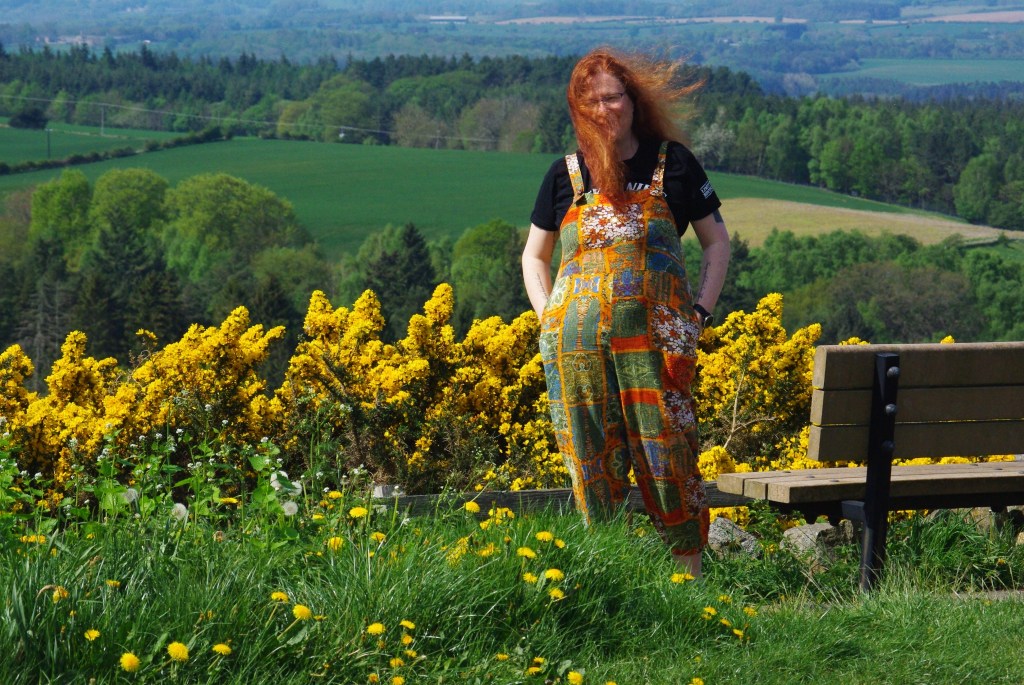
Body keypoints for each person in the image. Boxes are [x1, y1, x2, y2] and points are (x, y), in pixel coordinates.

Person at [521, 48, 731, 577]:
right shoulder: (565, 175)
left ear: (633, 101)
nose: (604, 110)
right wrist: (550, 321)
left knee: (671, 459)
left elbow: (717, 245)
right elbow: (533, 256)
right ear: (577, 109)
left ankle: (692, 591)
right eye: (591, 102)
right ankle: (606, 588)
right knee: (591, 466)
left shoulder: (673, 164)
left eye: (613, 97)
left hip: (657, 349)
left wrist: (699, 313)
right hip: (576, 353)